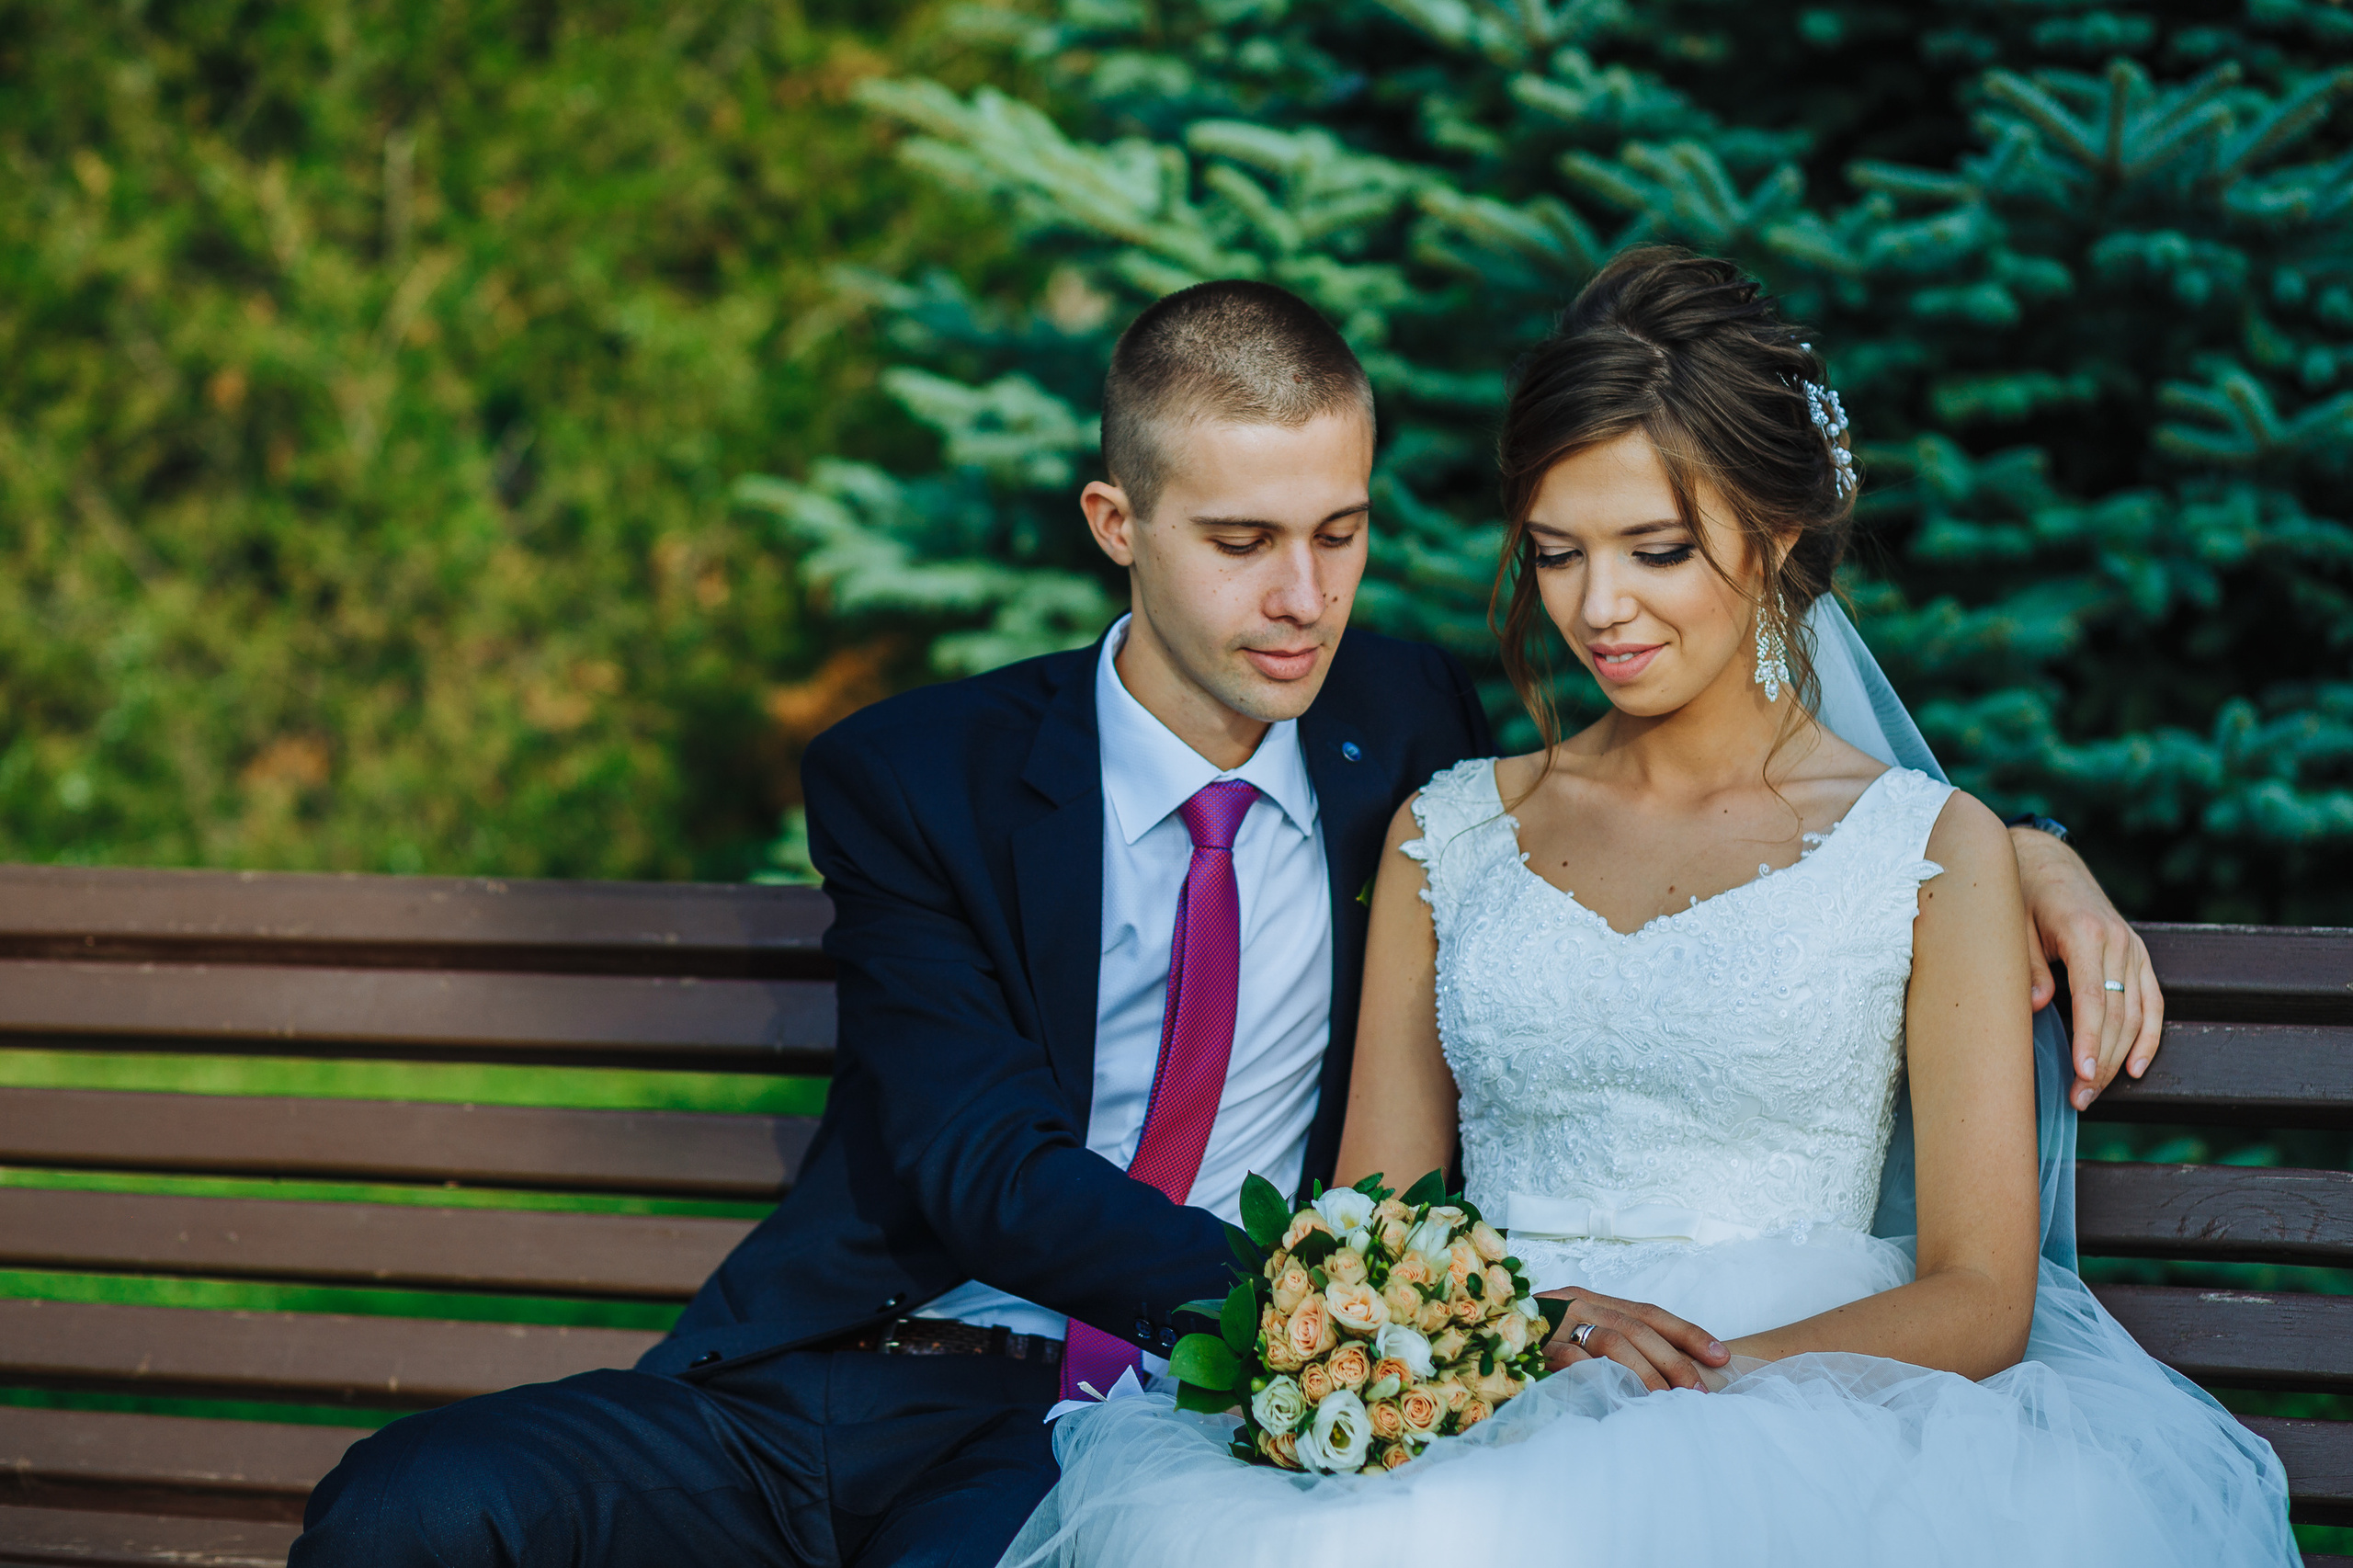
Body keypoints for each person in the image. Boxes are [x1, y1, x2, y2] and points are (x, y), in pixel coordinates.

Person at [291, 273, 2165, 1568]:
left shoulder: (1402, 738)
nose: (1302, 601)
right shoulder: (923, 777)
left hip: (1168, 1429)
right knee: (416, 1505)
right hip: (864, 1370)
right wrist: (1403, 1319)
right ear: (1117, 521)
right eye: (1240, 541)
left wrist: (2021, 850)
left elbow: (1746, 799)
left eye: (1341, 534)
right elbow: (977, 1163)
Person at [1000, 251, 2296, 1566]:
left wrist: (1689, 1391)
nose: (1598, 609)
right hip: (1495, 1386)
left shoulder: (1927, 848)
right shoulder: (1448, 832)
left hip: (1813, 1410)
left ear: (1775, 534)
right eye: (1557, 555)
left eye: (1657, 551)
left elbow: (1981, 1296)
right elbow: (1371, 1231)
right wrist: (1514, 1342)